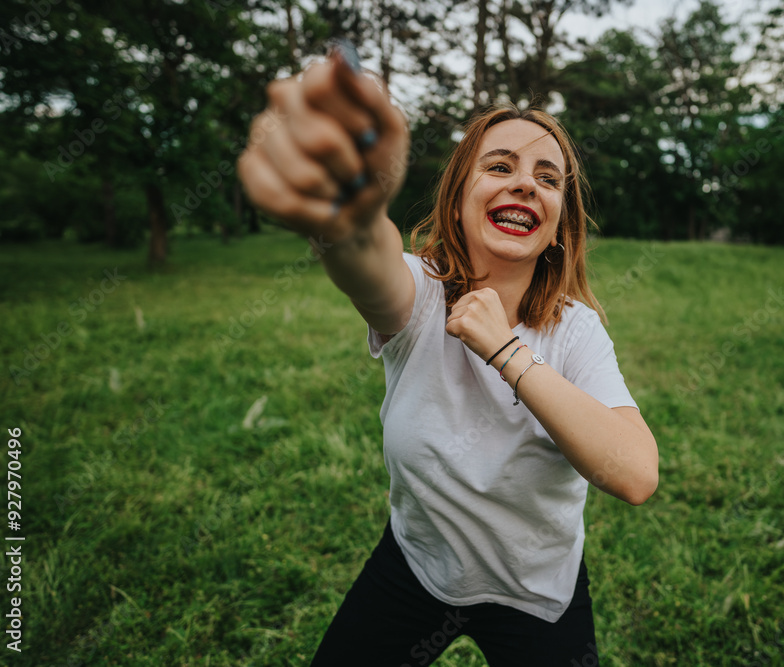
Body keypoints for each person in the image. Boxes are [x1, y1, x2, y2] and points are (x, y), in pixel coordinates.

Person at [238, 41, 659, 667]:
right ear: (459, 201)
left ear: (557, 226)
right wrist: (345, 212)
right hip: (416, 565)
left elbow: (634, 474)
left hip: (537, 591)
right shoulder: (420, 292)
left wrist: (505, 350)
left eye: (548, 178)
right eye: (500, 166)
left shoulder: (576, 331)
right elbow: (365, 254)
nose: (525, 183)